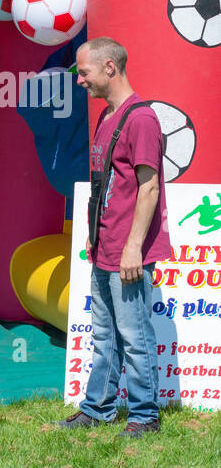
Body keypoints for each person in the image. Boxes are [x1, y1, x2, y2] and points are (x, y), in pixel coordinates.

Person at [57, 37, 171, 439]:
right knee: (104, 335)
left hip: (128, 251)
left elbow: (150, 187)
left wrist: (133, 248)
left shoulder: (140, 119)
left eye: (84, 72)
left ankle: (144, 417)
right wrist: (94, 237)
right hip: (106, 247)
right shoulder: (107, 117)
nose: (80, 81)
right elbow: (105, 185)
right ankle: (96, 409)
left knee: (135, 336)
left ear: (110, 67)